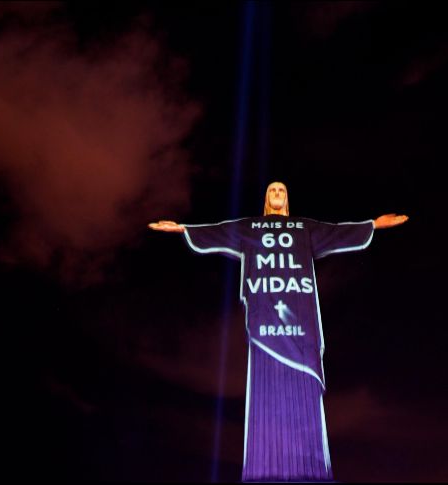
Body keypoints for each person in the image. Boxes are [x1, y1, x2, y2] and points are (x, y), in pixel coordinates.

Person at [149, 182, 407, 482]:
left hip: (302, 322)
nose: (277, 194)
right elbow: (219, 230)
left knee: (305, 392)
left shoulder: (303, 227)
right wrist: (183, 229)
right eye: (272, 190)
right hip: (264, 323)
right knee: (264, 388)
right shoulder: (251, 227)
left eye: (282, 191)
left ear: (287, 198)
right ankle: (265, 466)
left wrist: (373, 224)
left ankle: (311, 469)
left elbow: (336, 232)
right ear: (265, 198)